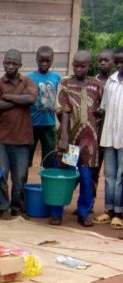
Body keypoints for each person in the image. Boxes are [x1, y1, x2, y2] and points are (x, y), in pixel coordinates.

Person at [53, 51, 103, 227]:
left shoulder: (96, 85)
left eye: (83, 66)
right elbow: (63, 111)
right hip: (71, 141)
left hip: (89, 142)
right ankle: (57, 213)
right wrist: (64, 137)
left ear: (90, 66)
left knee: (87, 179)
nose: (79, 69)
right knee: (66, 176)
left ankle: (83, 212)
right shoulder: (65, 83)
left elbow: (102, 109)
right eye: (76, 65)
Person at [0, 49, 37, 220]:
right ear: (3, 63)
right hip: (1, 137)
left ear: (20, 65)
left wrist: (8, 96)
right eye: (7, 63)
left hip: (22, 138)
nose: (10, 66)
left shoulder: (28, 81)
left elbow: (31, 99)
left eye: (14, 63)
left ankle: (18, 207)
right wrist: (19, 99)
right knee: (2, 173)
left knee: (20, 176)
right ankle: (2, 206)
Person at [94, 47, 123, 229]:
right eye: (118, 62)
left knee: (121, 176)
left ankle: (119, 213)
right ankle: (109, 210)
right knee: (110, 175)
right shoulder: (111, 82)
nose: (120, 65)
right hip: (109, 136)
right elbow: (103, 107)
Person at [27, 46, 61, 168]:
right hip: (32, 124)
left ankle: (47, 185)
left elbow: (59, 101)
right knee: (26, 159)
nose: (44, 63)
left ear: (52, 60)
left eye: (48, 61)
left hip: (49, 124)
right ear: (36, 60)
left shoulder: (57, 78)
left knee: (49, 159)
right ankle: (23, 186)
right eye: (41, 60)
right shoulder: (29, 78)